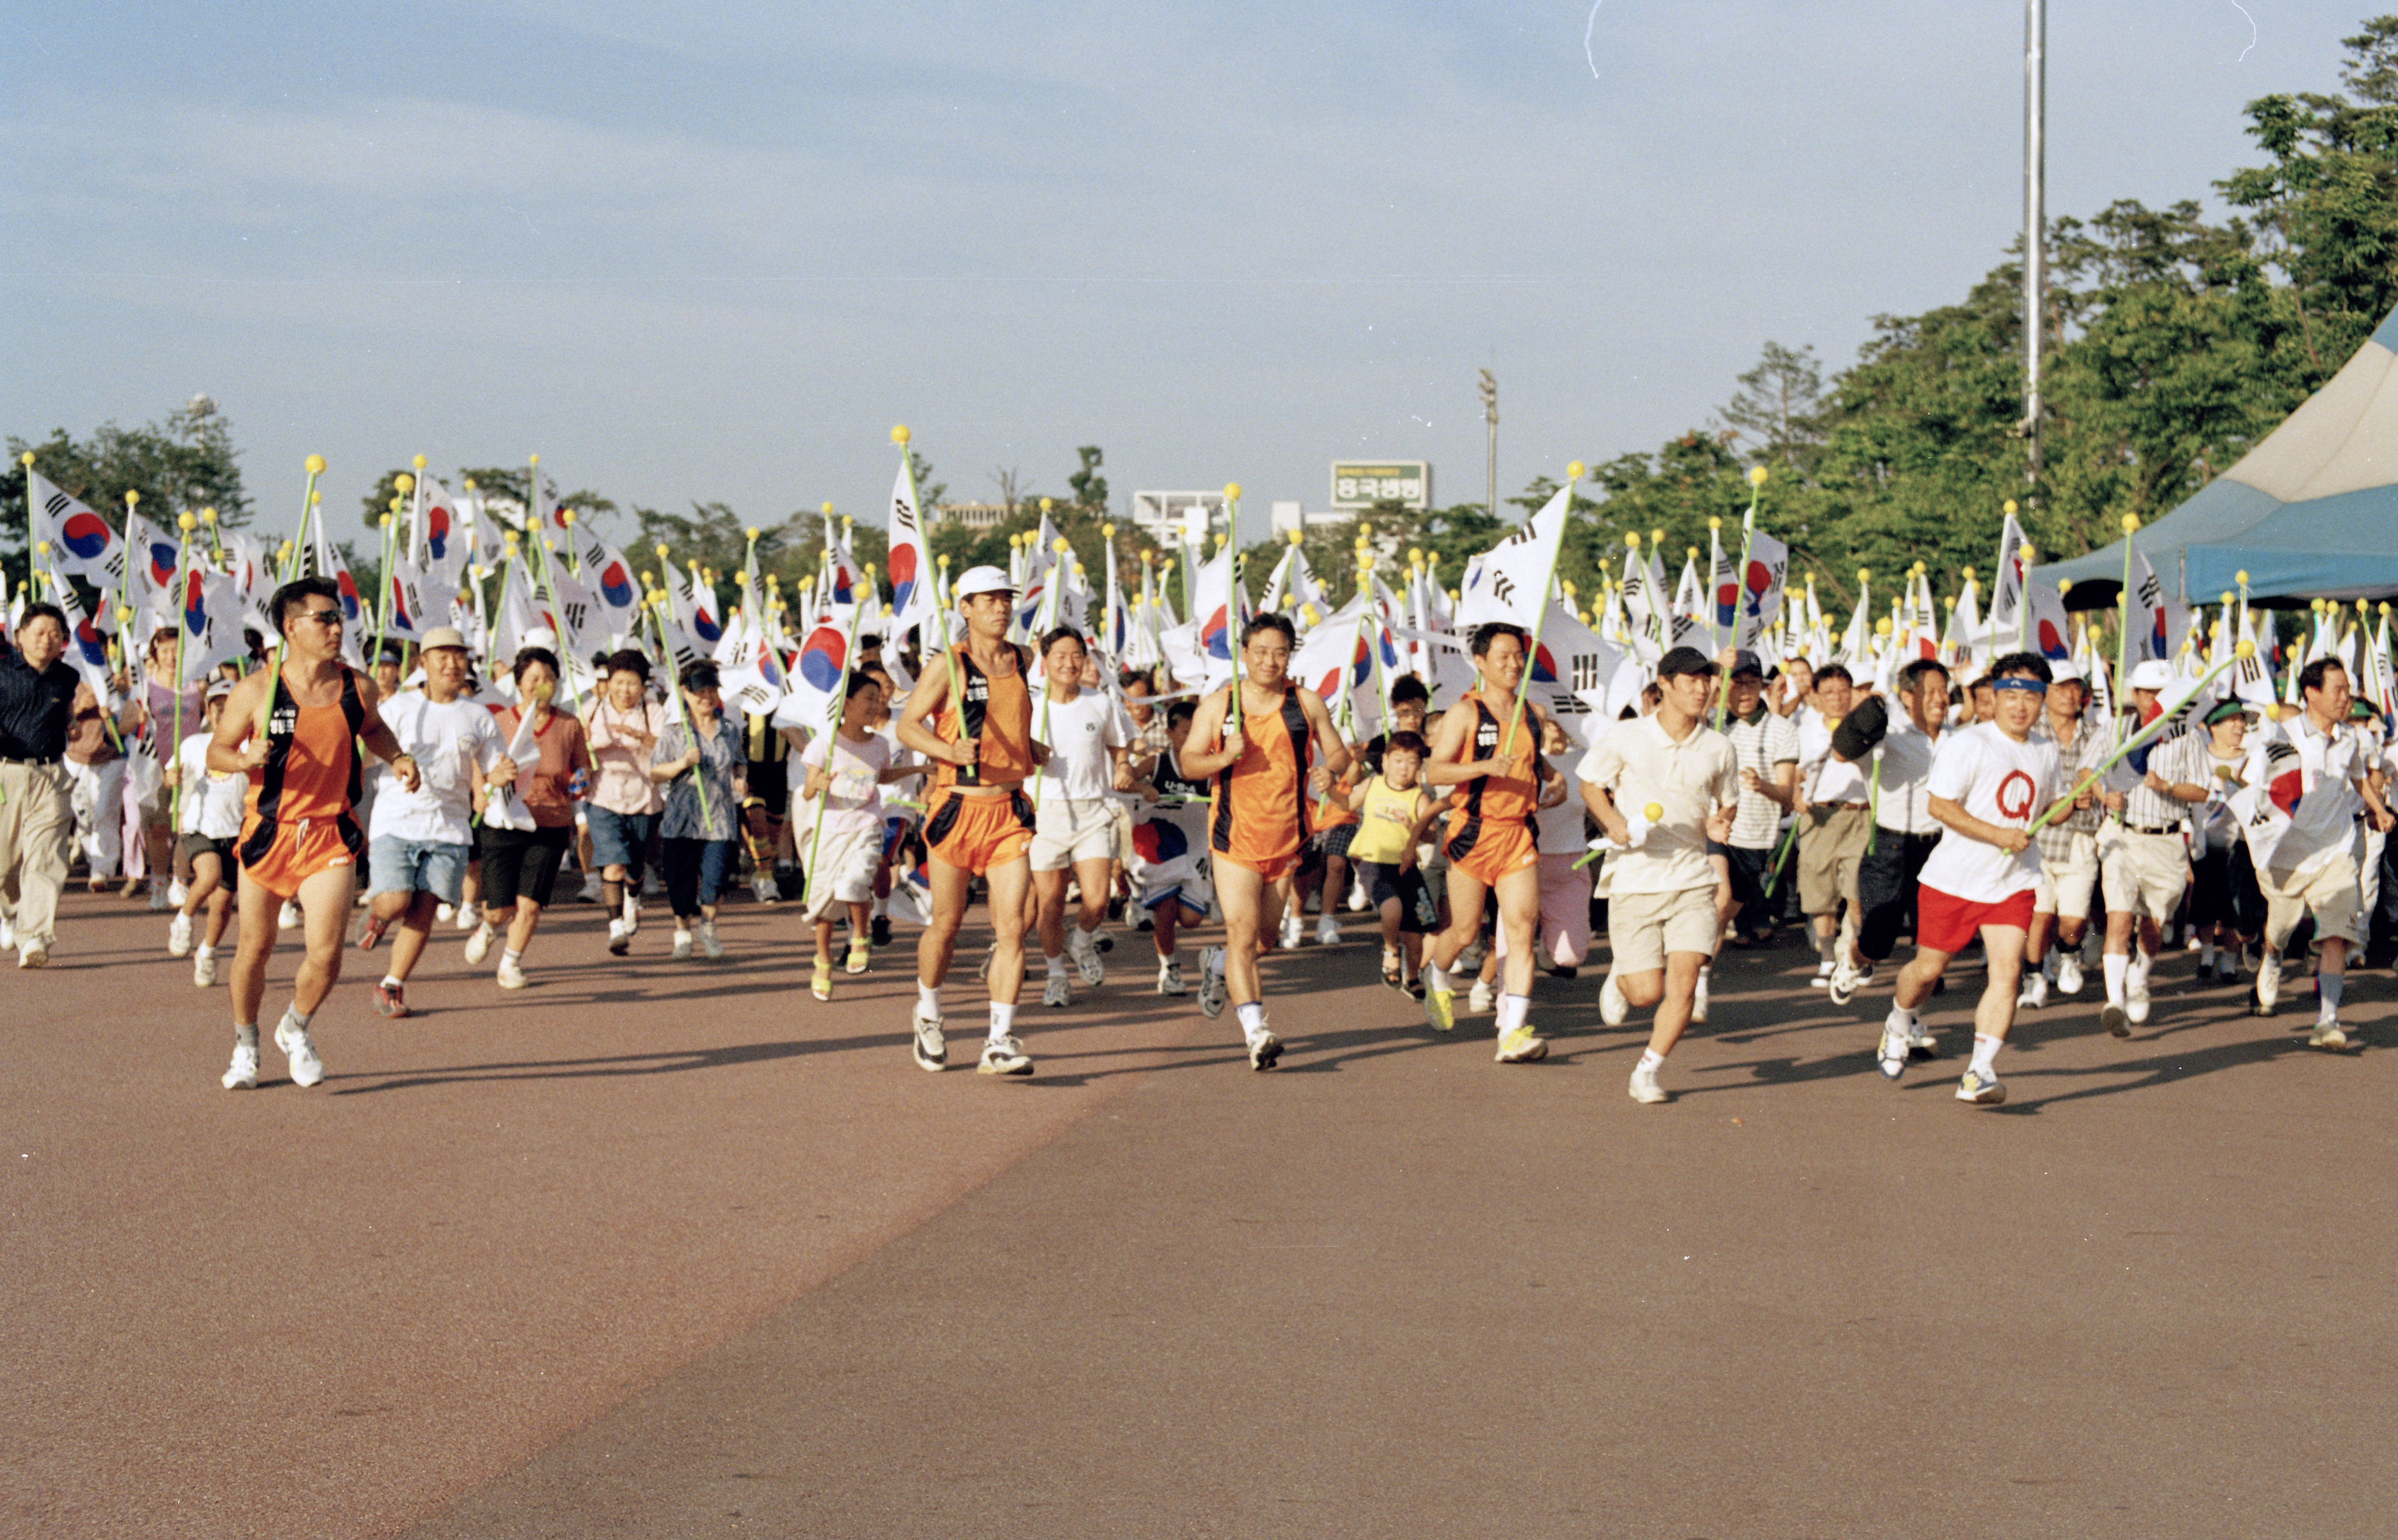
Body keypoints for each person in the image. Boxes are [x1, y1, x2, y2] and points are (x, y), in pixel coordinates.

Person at [208, 576, 419, 1090]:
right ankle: (245, 1045)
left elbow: (373, 729)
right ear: (291, 627)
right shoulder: (257, 689)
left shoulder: (356, 686)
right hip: (268, 834)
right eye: (324, 618)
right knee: (255, 949)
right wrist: (243, 759)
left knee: (326, 954)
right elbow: (217, 751)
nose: (335, 627)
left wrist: (399, 757)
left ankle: (295, 1027)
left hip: (329, 832)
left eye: (338, 617)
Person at [1878, 652, 2086, 1106]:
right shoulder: (1969, 744)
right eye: (2009, 694)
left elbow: (2048, 811)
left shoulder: (2047, 751)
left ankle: (1979, 1071)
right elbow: (1941, 807)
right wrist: (1998, 835)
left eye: (2029, 697)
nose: (2019, 706)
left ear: (2043, 701)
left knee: (2008, 972)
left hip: (2012, 883)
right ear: (1993, 695)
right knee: (1929, 970)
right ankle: (1899, 1019)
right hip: (1954, 881)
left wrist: (2076, 801)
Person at [1179, 613, 1352, 1071]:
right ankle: (1257, 1032)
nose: (1270, 661)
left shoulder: (1307, 703)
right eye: (1261, 651)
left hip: (1288, 836)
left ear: (1290, 655)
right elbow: (1189, 764)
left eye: (1280, 652)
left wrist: (1330, 770)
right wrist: (1223, 756)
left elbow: (1339, 750)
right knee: (1241, 931)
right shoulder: (1220, 705)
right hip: (1234, 837)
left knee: (1265, 939)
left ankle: (1217, 966)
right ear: (1245, 652)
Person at [895, 566, 1040, 1075]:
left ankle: (999, 1041)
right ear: (966, 608)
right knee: (948, 923)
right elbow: (908, 727)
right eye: (989, 600)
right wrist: (947, 749)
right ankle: (929, 1012)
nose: (1001, 608)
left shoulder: (1024, 658)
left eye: (1006, 598)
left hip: (1008, 812)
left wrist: (1029, 747)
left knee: (1013, 929)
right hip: (957, 808)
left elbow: (1015, 720)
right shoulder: (947, 666)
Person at [1578, 646, 1740, 1103]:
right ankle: (1621, 974)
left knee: (1686, 979)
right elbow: (1590, 782)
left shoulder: (1719, 746)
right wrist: (1611, 822)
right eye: (1689, 680)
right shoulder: (1628, 735)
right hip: (1635, 878)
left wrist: (1719, 821)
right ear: (1664, 685)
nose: (1701, 688)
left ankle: (1648, 1070)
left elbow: (1727, 801)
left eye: (1706, 680)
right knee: (1646, 993)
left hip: (1692, 878)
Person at [1418, 621, 1568, 1064]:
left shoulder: (1532, 713)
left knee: (1523, 931)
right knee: (1465, 931)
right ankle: (1436, 972)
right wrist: (1484, 769)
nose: (1513, 664)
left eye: (1518, 656)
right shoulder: (1465, 714)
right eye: (1502, 656)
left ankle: (1513, 1032)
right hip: (1472, 834)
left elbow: (1532, 761)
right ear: (1480, 662)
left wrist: (1553, 778)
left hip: (1518, 834)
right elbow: (1435, 772)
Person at [355, 627, 510, 1016]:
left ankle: (392, 985)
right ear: (422, 663)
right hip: (397, 821)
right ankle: (379, 913)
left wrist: (500, 775)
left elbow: (493, 768)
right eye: (442, 656)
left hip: (450, 828)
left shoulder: (478, 716)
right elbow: (369, 747)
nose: (452, 664)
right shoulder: (398, 708)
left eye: (459, 656)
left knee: (424, 910)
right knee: (396, 903)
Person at [2246, 658, 2395, 1045]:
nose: (2346, 698)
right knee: (2280, 927)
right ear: (2312, 692)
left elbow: (2358, 776)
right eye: (2338, 690)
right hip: (2287, 853)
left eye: (2348, 690)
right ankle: (2273, 958)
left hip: (2335, 849)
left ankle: (2328, 1020)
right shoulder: (2283, 735)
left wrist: (2378, 808)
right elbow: (2255, 786)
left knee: (2336, 932)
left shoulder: (2351, 738)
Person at [2092, 659, 2207, 1036]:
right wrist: (2104, 794)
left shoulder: (2188, 735)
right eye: (2148, 694)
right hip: (2122, 836)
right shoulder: (2115, 730)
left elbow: (2201, 789)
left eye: (2162, 694)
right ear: (2136, 695)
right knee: (2120, 919)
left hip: (2166, 841)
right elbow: (2087, 771)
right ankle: (2115, 1002)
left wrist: (2167, 787)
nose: (2155, 701)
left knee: (2153, 925)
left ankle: (2139, 976)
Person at [1829, 658, 1950, 1018]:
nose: (1940, 699)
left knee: (1932, 942)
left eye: (1945, 691)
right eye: (1930, 691)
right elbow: (1841, 750)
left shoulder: (1958, 738)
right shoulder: (1887, 734)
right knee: (1878, 940)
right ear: (1908, 695)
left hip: (1940, 846)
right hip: (1891, 846)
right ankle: (1852, 961)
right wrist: (1870, 710)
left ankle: (1911, 1021)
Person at [463, 648, 591, 989]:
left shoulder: (569, 724)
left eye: (549, 678)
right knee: (499, 908)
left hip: (550, 822)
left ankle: (510, 963)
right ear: (519, 683)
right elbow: (478, 763)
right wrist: (480, 791)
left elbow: (583, 767)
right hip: (504, 820)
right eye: (534, 678)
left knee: (530, 904)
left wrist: (581, 781)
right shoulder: (498, 721)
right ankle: (488, 928)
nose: (542, 685)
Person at [1027, 626, 1135, 1007]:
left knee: (1096, 899)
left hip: (1093, 810)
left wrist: (1123, 767)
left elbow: (1121, 745)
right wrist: (1029, 754)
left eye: (1076, 655)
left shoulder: (1100, 702)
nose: (1069, 663)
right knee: (1052, 902)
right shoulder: (1031, 707)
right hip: (1047, 813)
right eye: (1060, 655)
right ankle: (1056, 975)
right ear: (1044, 661)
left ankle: (1082, 942)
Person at [796, 672, 915, 999]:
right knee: (825, 907)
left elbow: (883, 776)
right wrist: (818, 785)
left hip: (866, 826)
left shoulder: (879, 744)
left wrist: (919, 770)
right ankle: (822, 959)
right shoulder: (825, 743)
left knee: (854, 883)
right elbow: (808, 791)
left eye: (878, 699)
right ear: (847, 703)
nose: (876, 704)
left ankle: (860, 936)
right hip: (830, 833)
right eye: (868, 698)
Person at [0, 604, 88, 968]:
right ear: (20, 636)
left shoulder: (66, 677)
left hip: (52, 775)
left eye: (55, 634)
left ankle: (34, 936)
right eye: (39, 632)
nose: (46, 640)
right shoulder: (3, 672)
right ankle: (8, 912)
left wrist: (71, 725)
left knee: (46, 856)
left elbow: (65, 711)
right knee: (5, 861)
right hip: (7, 774)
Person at [2019, 661, 2108, 1009]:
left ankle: (2068, 954)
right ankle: (2034, 978)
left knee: (2072, 922)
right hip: (2040, 838)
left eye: (2076, 688)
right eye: (2062, 688)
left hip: (2080, 839)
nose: (2071, 696)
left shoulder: (2096, 735)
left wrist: (2094, 796)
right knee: (2039, 916)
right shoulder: (2031, 733)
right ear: (2047, 693)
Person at [650, 660, 747, 961]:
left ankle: (708, 925)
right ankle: (682, 931)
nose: (706, 697)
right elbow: (654, 773)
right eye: (699, 691)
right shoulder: (674, 732)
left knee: (715, 878)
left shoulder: (730, 730)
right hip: (681, 820)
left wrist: (741, 779)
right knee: (681, 880)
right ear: (685, 693)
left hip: (719, 819)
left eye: (711, 690)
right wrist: (681, 764)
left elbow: (740, 760)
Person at [1344, 728, 1442, 991]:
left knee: (1416, 936)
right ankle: (1390, 951)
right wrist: (1330, 787)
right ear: (1385, 762)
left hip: (1408, 869)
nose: (1404, 768)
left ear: (1420, 767)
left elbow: (1431, 837)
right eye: (1398, 761)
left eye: (1411, 763)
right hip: (1374, 863)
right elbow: (1346, 803)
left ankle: (1412, 978)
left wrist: (1413, 826)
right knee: (1392, 909)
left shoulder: (1420, 798)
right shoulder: (1374, 784)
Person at [1125, 698, 1212, 994]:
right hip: (1162, 847)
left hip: (1196, 848)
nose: (1192, 739)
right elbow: (1123, 781)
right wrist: (1143, 787)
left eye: (1198, 732)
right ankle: (1170, 967)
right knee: (1165, 912)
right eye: (1187, 732)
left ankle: (1147, 901)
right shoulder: (1158, 763)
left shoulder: (1208, 767)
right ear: (1171, 732)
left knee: (1191, 920)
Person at [165, 679, 246, 984]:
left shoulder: (250, 744)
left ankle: (208, 951)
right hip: (200, 827)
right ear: (209, 712)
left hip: (236, 830)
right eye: (218, 708)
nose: (224, 714)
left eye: (231, 708)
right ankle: (183, 920)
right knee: (208, 876)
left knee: (223, 903)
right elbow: (171, 774)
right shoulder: (194, 744)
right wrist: (171, 778)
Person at [1794, 663, 1871, 987]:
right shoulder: (1806, 730)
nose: (1837, 698)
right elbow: (1794, 774)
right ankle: (1827, 958)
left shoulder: (1868, 727)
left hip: (1860, 815)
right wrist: (1796, 797)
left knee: (1857, 892)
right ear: (1816, 695)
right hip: (1819, 817)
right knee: (1820, 894)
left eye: (1843, 691)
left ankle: (1858, 957)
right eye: (1829, 692)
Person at [587, 649, 667, 956]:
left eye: (632, 684)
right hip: (603, 796)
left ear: (643, 686)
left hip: (643, 798)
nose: (624, 691)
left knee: (635, 865)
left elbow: (664, 748)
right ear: (609, 682)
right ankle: (615, 927)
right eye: (619, 683)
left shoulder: (652, 711)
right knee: (614, 862)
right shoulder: (593, 710)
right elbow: (581, 747)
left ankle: (633, 899)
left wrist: (639, 735)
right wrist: (598, 743)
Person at [1719, 650, 1798, 947]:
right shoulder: (1714, 723)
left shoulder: (1781, 729)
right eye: (1736, 683)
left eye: (1751, 684)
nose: (1744, 692)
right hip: (1715, 828)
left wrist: (1760, 785)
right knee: (1711, 903)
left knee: (1722, 912)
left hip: (1752, 835)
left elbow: (1786, 795)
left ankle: (1697, 970)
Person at [2184, 698, 2261, 985]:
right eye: (2232, 720)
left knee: (2233, 907)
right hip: (2205, 843)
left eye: (2242, 720)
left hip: (2240, 845)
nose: (2239, 726)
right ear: (2213, 726)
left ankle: (2229, 961)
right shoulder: (2200, 757)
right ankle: (2206, 956)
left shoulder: (2250, 758)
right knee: (2205, 904)